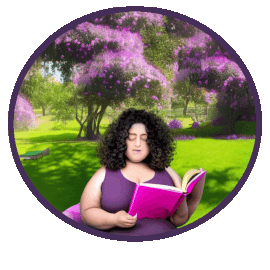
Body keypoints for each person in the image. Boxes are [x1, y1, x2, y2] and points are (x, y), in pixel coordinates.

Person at [80, 108, 205, 236]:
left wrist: (195, 195)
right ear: (121, 140)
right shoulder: (105, 172)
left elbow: (179, 220)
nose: (138, 144)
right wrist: (113, 219)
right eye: (131, 138)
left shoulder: (168, 173)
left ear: (153, 142)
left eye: (144, 138)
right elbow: (86, 211)